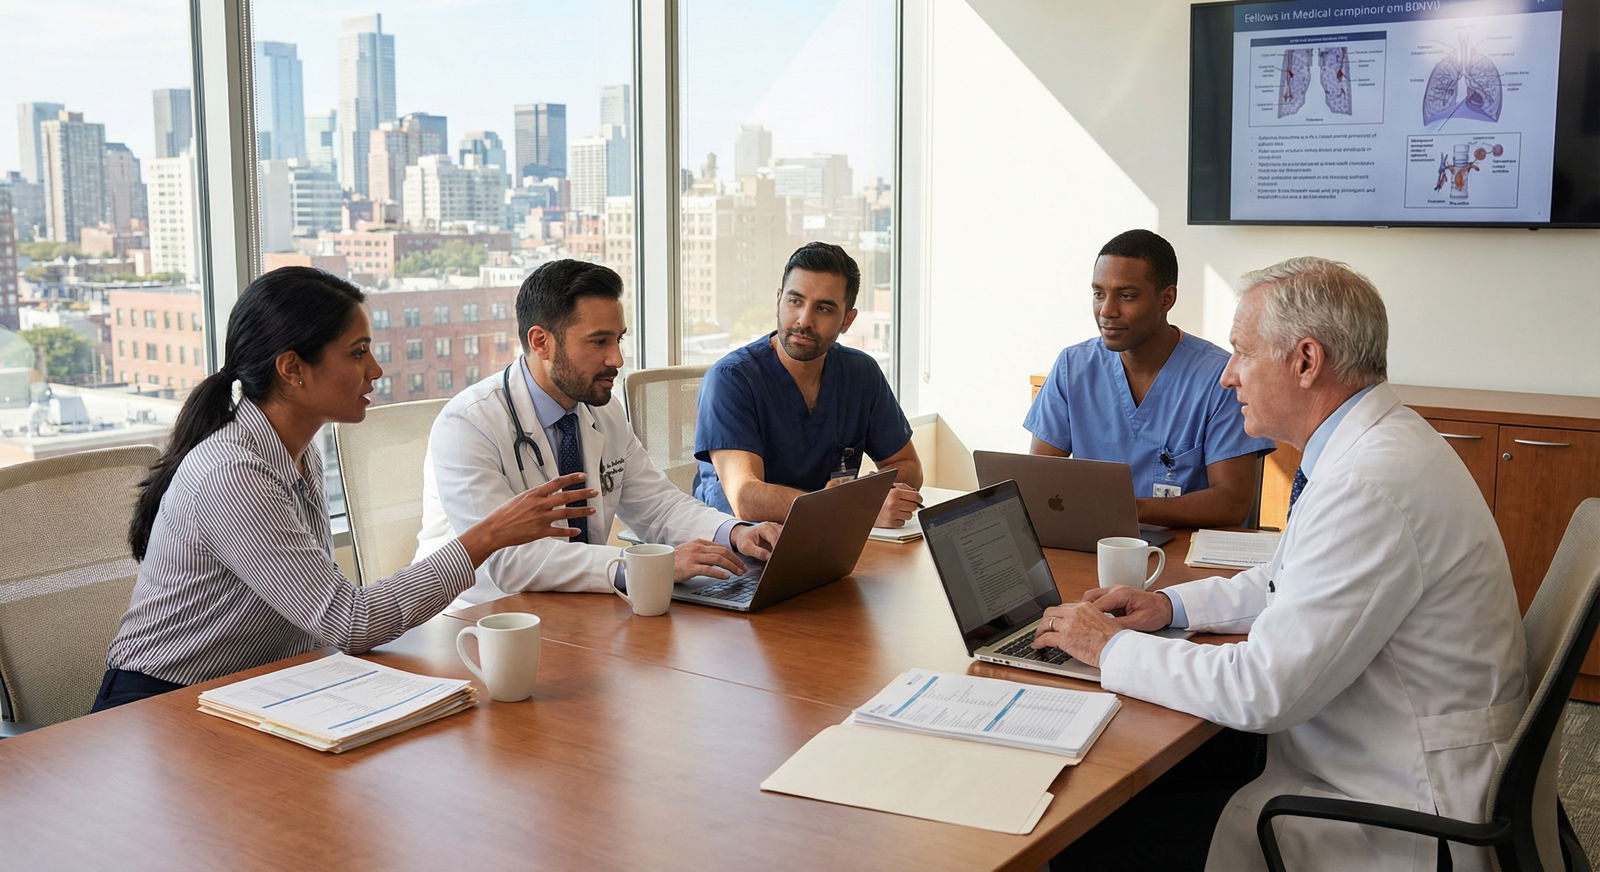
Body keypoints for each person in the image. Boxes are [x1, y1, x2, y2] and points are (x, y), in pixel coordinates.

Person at [1032, 257, 1528, 872]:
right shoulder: (1374, 447)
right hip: (1360, 744)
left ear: (1305, 361)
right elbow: (1285, 579)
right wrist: (1171, 604)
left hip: (1394, 805)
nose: (1227, 377)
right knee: (1142, 768)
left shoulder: (1371, 484)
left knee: (1081, 836)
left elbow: (1260, 691)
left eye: (1242, 354)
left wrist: (1106, 648)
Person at [95, 267, 595, 711]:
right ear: (292, 369)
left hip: (261, 690)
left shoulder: (297, 453)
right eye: (358, 353)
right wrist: (486, 536)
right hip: (162, 704)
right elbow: (347, 622)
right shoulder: (232, 473)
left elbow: (322, 617)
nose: (375, 370)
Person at [416, 260, 780, 603]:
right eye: (599, 341)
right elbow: (510, 561)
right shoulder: (468, 425)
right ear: (541, 341)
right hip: (480, 623)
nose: (617, 360)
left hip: (578, 611)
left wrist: (738, 533)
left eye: (618, 340)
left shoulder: (600, 410)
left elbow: (658, 507)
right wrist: (646, 565)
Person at [1024, 229, 1272, 528]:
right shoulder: (1073, 367)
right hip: (1096, 543)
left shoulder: (1220, 379)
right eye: (1098, 294)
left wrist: (1126, 508)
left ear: (1166, 298)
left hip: (1185, 555)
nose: (1107, 311)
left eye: (1126, 296)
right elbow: (1038, 479)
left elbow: (1231, 502)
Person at [693, 242, 923, 528]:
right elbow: (746, 498)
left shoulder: (860, 374)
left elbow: (908, 466)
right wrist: (852, 507)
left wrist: (867, 498)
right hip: (739, 554)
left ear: (847, 320)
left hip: (826, 540)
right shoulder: (731, 380)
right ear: (778, 300)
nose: (804, 320)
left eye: (824, 308)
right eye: (795, 301)